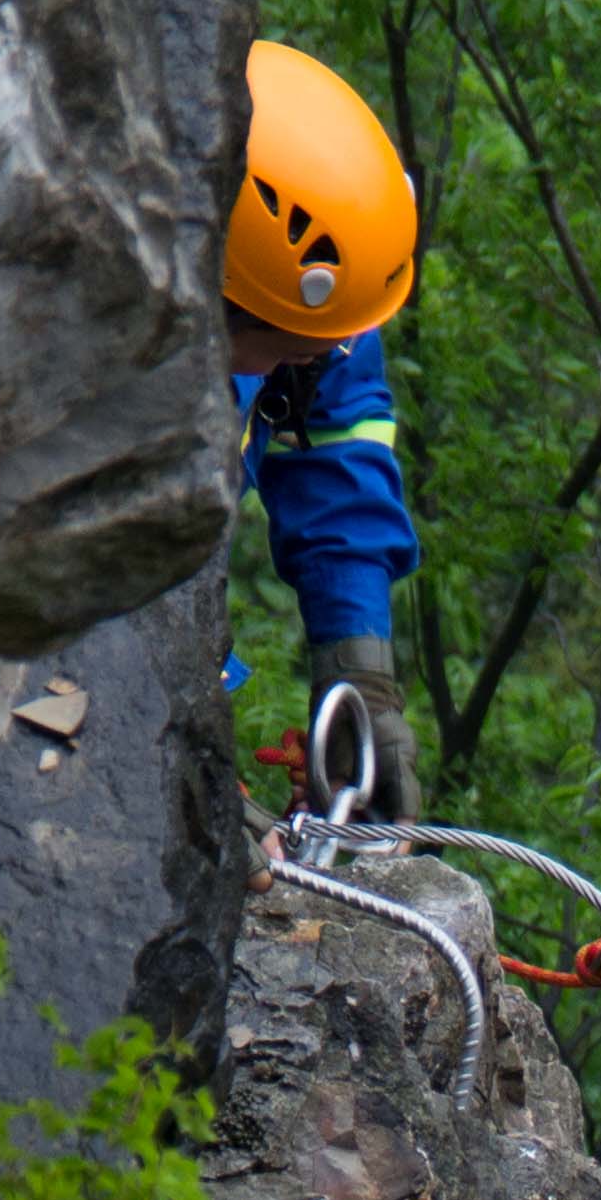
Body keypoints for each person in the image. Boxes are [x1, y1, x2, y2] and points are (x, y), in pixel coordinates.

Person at [226, 43, 427, 820]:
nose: (323, 357)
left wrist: (361, 683)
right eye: (291, 349)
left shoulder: (315, 275)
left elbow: (339, 444)